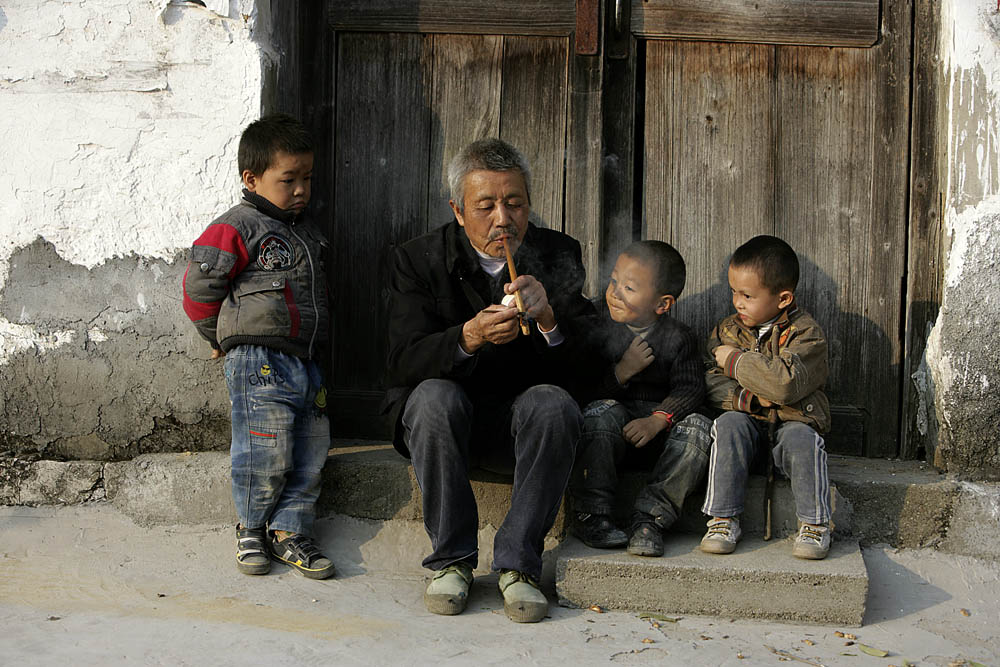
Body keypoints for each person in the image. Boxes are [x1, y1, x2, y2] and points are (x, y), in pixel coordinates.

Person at [384, 138, 595, 623]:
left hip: (520, 431)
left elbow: (587, 369)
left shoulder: (558, 254)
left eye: (515, 203)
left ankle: (519, 565)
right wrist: (468, 336)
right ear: (459, 211)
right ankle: (451, 561)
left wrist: (549, 320)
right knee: (434, 396)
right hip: (443, 431)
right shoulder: (418, 260)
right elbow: (401, 362)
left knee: (553, 403)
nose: (504, 218)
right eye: (487, 206)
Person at [182, 114, 335, 579]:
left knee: (311, 448)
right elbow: (198, 291)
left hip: (305, 361)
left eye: (307, 178)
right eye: (288, 180)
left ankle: (289, 531)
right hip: (257, 359)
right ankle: (251, 527)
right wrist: (219, 338)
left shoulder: (305, 229)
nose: (301, 189)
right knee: (263, 448)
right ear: (251, 178)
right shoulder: (236, 227)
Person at [568, 241, 710, 557]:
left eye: (629, 288)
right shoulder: (597, 324)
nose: (614, 293)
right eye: (614, 280)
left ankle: (650, 518)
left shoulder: (679, 338)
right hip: (610, 437)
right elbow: (583, 388)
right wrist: (622, 371)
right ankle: (593, 512)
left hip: (662, 440)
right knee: (597, 413)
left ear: (662, 304)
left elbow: (690, 390)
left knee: (700, 428)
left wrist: (658, 419)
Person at [700, 235, 832, 560]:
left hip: (791, 423)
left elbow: (785, 384)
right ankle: (722, 518)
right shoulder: (728, 331)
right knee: (728, 424)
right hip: (748, 424)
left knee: (804, 439)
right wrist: (752, 400)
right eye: (734, 292)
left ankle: (815, 523)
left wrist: (735, 361)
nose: (737, 302)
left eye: (747, 295)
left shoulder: (806, 335)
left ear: (783, 298)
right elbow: (709, 379)